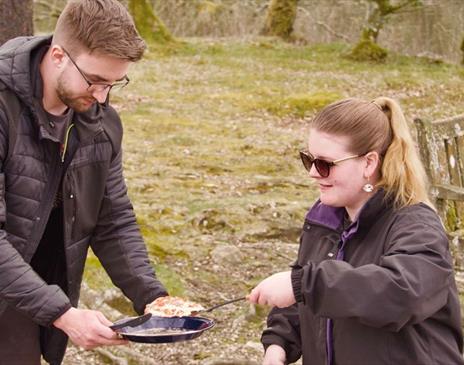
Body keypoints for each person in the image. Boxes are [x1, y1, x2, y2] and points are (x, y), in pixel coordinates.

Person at [0, 1, 169, 364]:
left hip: (31, 296)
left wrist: (154, 298)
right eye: (94, 81)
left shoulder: (101, 124)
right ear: (58, 55)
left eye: (113, 83)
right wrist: (63, 313)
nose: (101, 97)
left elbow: (112, 220)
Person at [248, 97, 464, 365]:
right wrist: (278, 343)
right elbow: (307, 297)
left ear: (369, 163)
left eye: (325, 164)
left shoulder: (417, 226)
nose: (313, 173)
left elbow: (401, 294)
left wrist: (303, 284)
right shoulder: (324, 221)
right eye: (308, 159)